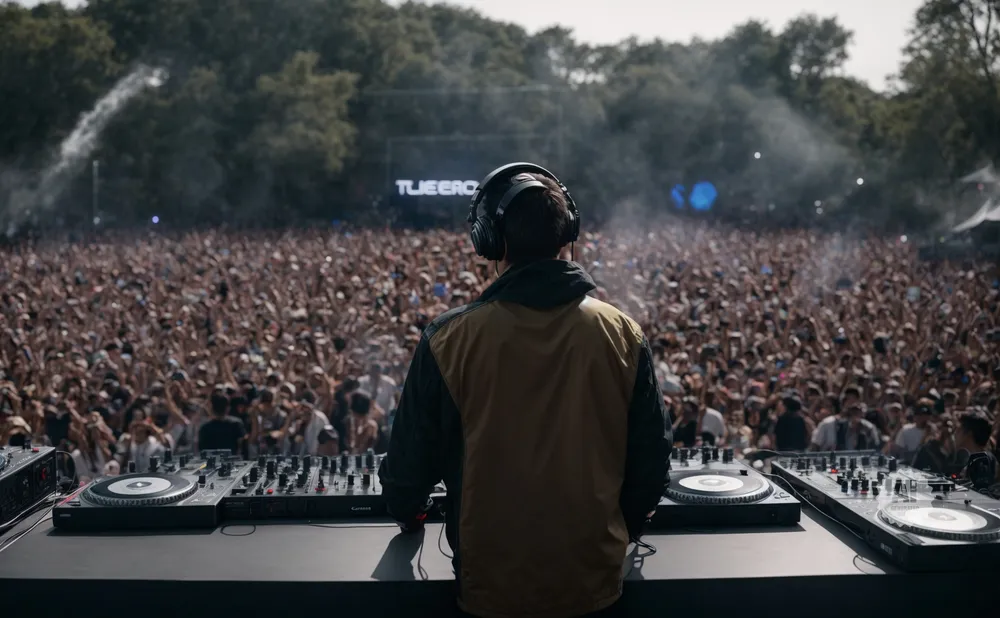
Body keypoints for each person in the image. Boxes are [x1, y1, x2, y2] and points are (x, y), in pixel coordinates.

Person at [379, 163, 671, 618]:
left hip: (490, 589)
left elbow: (406, 473)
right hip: (595, 583)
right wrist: (617, 531)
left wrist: (411, 512)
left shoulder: (449, 339)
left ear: (489, 241)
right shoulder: (622, 333)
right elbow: (651, 462)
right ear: (567, 233)